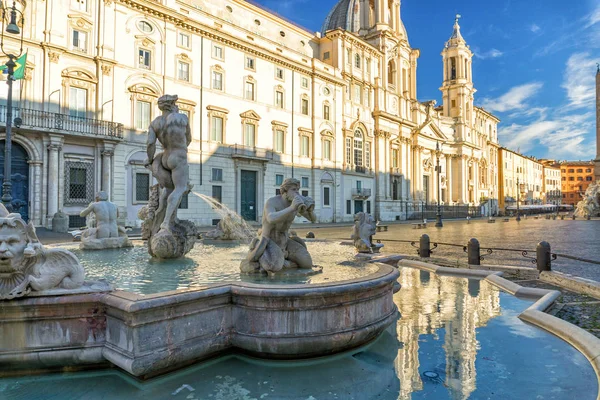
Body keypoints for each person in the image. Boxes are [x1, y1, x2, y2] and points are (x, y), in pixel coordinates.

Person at [144, 94, 192, 231]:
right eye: (176, 104)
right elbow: (189, 139)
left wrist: (150, 158)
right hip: (178, 155)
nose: (177, 107)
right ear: (171, 105)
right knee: (180, 188)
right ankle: (166, 222)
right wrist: (181, 148)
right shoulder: (182, 118)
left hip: (164, 157)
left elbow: (150, 143)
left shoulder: (155, 123)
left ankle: (161, 214)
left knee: (169, 190)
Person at [261, 178, 315, 269]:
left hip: (285, 241)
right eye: (294, 190)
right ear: (284, 191)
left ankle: (285, 260)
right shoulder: (272, 202)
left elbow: (313, 219)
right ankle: (283, 262)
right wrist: (292, 208)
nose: (297, 193)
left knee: (307, 263)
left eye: (298, 190)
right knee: (274, 267)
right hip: (269, 241)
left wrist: (310, 210)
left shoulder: (296, 203)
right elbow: (271, 218)